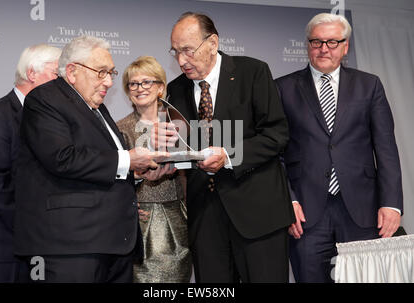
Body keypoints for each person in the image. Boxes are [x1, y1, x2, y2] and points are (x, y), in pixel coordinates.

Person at [13, 36, 170, 283]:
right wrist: (128, 161)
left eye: (111, 73)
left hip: (111, 244)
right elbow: (62, 158)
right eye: (101, 72)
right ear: (73, 71)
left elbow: (103, 167)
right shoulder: (44, 99)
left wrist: (137, 174)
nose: (109, 81)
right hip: (69, 247)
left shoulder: (96, 108)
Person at [160, 12, 295, 282]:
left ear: (212, 42)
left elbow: (276, 134)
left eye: (187, 50)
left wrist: (228, 155)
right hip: (206, 218)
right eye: (175, 52)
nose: (181, 60)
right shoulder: (176, 89)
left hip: (258, 214)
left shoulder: (252, 72)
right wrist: (166, 157)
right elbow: (188, 148)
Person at [275, 13, 403, 283]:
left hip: (363, 209)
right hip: (306, 214)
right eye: (317, 42)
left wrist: (391, 204)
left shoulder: (369, 85)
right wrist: (289, 200)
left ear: (346, 47)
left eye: (332, 42)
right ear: (308, 45)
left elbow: (386, 148)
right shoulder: (282, 88)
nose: (324, 48)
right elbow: (276, 154)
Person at [0, 44, 61, 283]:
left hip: (30, 247)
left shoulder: (45, 121)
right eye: (57, 75)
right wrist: (32, 224)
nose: (63, 84)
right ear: (32, 74)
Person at [117, 56, 192, 283]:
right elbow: (118, 176)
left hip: (180, 216)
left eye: (146, 82)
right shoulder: (120, 128)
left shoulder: (180, 123)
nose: (139, 88)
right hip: (143, 221)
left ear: (161, 87)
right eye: (133, 83)